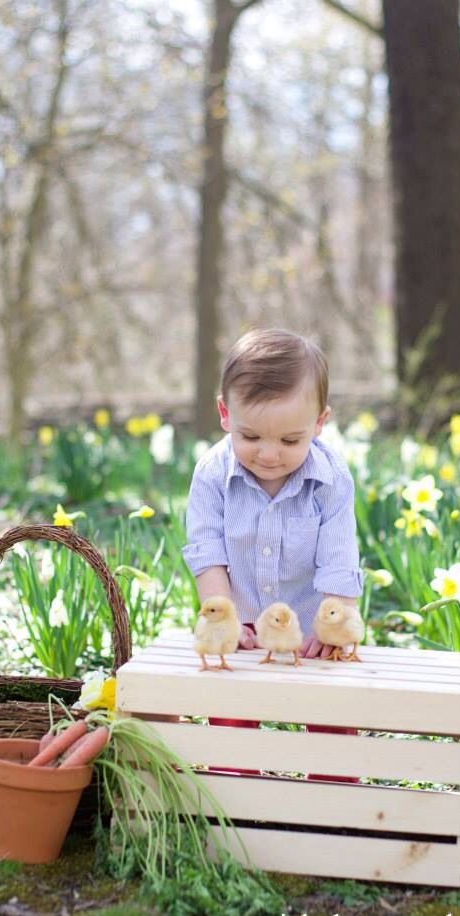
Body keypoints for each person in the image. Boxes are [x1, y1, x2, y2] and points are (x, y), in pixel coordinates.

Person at [182, 327, 364, 780]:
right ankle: (237, 798)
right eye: (251, 436)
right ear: (225, 413)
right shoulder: (210, 475)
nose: (268, 455)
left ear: (319, 423)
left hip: (311, 628)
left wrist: (335, 618)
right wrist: (221, 617)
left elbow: (339, 558)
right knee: (231, 718)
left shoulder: (331, 480)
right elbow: (207, 551)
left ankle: (334, 803)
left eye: (289, 441)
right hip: (240, 629)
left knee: (333, 718)